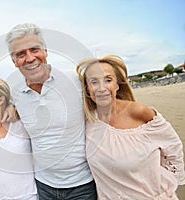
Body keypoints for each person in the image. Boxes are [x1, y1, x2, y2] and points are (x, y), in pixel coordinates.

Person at [5, 23, 97, 199]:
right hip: (43, 186)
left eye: (34, 49)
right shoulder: (14, 94)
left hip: (83, 185)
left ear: (45, 51)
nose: (30, 58)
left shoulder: (75, 81)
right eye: (21, 54)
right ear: (14, 61)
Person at [76, 55, 185, 199]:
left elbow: (173, 147)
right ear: (87, 89)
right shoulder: (88, 120)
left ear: (117, 84)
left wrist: (167, 186)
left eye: (108, 80)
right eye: (94, 82)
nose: (101, 88)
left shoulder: (139, 112)